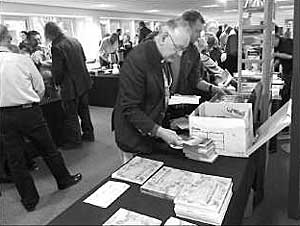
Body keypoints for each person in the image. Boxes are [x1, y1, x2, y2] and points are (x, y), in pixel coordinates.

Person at [0, 24, 82, 211]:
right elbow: (40, 87)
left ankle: (29, 200)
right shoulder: (21, 59)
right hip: (28, 111)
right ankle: (63, 180)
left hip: (3, 116)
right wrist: (32, 101)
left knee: (15, 160)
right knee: (48, 149)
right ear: (8, 38)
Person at [113, 18, 191, 163]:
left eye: (183, 50)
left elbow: (161, 90)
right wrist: (159, 131)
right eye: (177, 48)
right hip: (132, 138)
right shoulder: (138, 60)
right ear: (162, 38)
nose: (179, 54)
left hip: (150, 133)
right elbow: (130, 108)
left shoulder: (162, 57)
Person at [44, 22, 94, 149]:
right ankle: (88, 133)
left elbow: (58, 70)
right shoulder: (74, 40)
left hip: (70, 86)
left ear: (49, 34)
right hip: (83, 81)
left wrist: (56, 82)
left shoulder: (56, 46)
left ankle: (75, 140)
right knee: (84, 111)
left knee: (71, 114)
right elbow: (83, 58)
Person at [273, 27, 293, 106]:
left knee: (286, 91)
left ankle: (284, 106)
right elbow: (278, 60)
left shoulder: (285, 43)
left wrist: (277, 54)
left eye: (272, 42)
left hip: (291, 69)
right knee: (284, 90)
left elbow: (290, 56)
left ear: (276, 38)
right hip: (286, 70)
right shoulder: (278, 46)